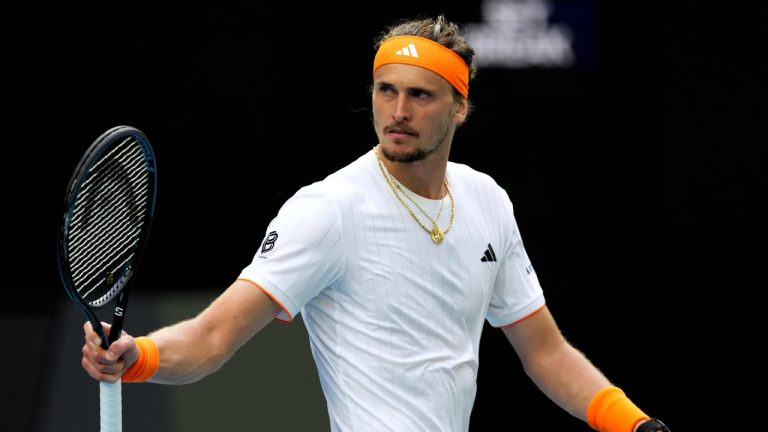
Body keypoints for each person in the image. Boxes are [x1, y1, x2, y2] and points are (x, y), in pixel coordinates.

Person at [81, 14, 670, 432]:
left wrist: (634, 424)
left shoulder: (487, 201)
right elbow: (214, 337)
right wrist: (142, 356)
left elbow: (545, 353)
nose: (398, 112)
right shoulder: (328, 209)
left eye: (421, 96)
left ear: (460, 107)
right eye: (385, 90)